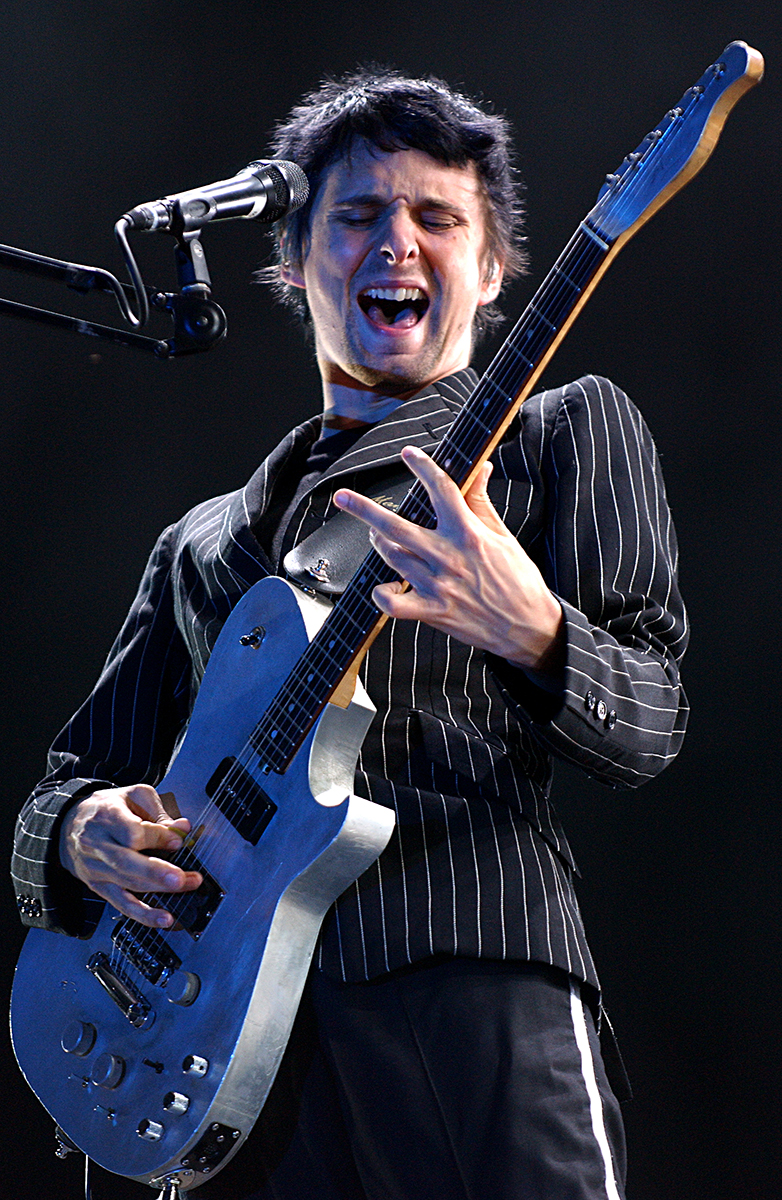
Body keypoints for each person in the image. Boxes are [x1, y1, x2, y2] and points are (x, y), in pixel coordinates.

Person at [12, 69, 688, 1200]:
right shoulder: (202, 542)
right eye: (359, 215)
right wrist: (80, 830)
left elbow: (652, 722)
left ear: (491, 270)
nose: (398, 243)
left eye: (436, 217)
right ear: (291, 262)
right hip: (210, 1043)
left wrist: (532, 631)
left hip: (461, 979)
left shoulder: (556, 436)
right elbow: (70, 779)